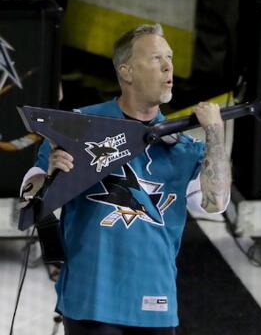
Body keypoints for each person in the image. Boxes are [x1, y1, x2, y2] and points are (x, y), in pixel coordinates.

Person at [19, 24, 231, 334]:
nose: (168, 66)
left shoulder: (184, 148)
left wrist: (215, 134)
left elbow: (215, 204)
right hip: (90, 298)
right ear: (127, 71)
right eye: (156, 58)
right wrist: (51, 176)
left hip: (155, 302)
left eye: (170, 57)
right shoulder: (79, 125)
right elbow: (28, 197)